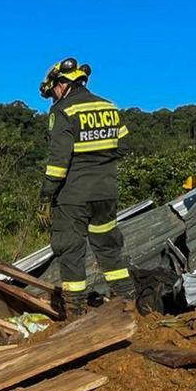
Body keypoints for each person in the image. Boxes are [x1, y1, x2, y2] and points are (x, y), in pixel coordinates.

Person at [37, 57, 135, 318]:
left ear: (61, 84)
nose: (53, 97)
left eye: (53, 91)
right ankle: (127, 301)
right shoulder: (109, 107)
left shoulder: (62, 111)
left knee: (70, 249)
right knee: (108, 247)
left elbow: (58, 162)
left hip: (74, 196)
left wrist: (46, 195)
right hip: (106, 192)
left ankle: (75, 313)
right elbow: (124, 146)